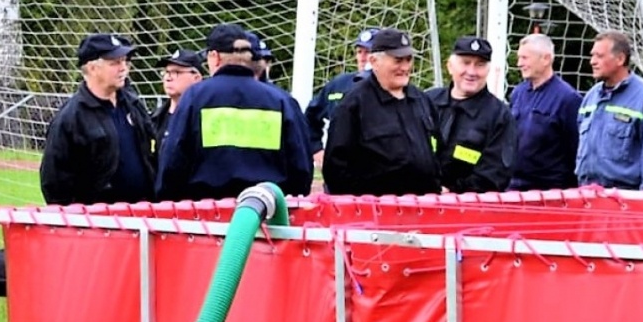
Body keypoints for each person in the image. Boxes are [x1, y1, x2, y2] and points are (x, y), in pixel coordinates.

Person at [155, 23, 313, 201]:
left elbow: (173, 162)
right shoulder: (281, 100)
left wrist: (169, 200)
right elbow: (301, 168)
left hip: (207, 213)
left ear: (214, 57)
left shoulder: (195, 97)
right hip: (267, 212)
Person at [322, 27, 440, 196]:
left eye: (408, 59)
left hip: (422, 208)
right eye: (398, 60)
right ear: (374, 61)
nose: (405, 67)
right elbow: (336, 169)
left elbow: (436, 153)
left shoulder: (423, 101)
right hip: (376, 212)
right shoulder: (353, 105)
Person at [39, 33, 154, 204]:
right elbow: (54, 181)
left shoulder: (132, 104)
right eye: (115, 63)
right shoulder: (71, 118)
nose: (123, 68)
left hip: (143, 214)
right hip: (99, 222)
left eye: (125, 61)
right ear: (92, 68)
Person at [426, 36, 515, 193]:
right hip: (418, 202)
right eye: (466, 63)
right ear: (450, 66)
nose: (472, 72)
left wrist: (452, 191)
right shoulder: (427, 102)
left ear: (488, 70)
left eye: (480, 65)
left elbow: (495, 174)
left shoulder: (499, 116)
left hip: (468, 208)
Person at [575, 30, 643, 190]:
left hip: (625, 199)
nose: (592, 61)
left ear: (620, 59)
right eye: (592, 55)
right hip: (588, 195)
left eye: (600, 56)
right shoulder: (590, 97)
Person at [507, 33, 580, 190]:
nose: (519, 63)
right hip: (513, 187)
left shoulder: (568, 99)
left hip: (549, 192)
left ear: (546, 59)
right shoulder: (518, 93)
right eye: (519, 58)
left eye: (525, 58)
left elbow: (576, 150)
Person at [305, 28, 376, 158]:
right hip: (341, 168)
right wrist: (316, 149)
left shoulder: (392, 88)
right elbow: (310, 117)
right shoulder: (339, 84)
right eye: (359, 52)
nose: (362, 58)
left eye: (368, 52)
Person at [149, 47, 204, 141]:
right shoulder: (155, 119)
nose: (168, 78)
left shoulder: (204, 118)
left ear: (196, 78)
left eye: (176, 72)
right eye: (166, 72)